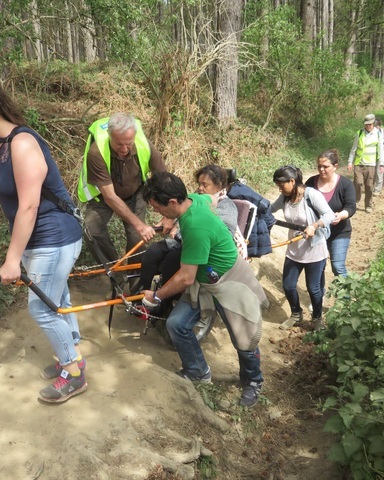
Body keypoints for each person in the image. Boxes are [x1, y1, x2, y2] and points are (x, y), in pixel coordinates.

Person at [0, 74, 86, 404]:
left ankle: (75, 372)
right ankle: (71, 354)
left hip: (55, 236)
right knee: (57, 299)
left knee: (43, 309)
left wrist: (11, 260)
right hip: (35, 241)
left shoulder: (22, 144)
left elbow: (30, 205)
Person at [141, 172, 268, 407]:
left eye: (158, 209)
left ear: (172, 202)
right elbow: (211, 199)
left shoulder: (196, 228)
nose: (158, 214)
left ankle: (253, 381)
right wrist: (169, 220)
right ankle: (198, 371)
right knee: (177, 324)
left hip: (230, 281)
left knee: (244, 337)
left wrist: (156, 296)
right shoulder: (192, 200)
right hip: (205, 280)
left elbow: (185, 278)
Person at [77, 113, 170, 279]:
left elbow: (163, 179)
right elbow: (110, 197)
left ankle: (135, 283)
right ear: (110, 136)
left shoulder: (144, 145)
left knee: (137, 237)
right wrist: (139, 224)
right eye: (119, 144)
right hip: (104, 196)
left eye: (129, 143)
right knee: (92, 229)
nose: (125, 149)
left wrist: (169, 215)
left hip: (135, 193)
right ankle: (116, 276)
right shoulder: (96, 152)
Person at [137, 164, 248, 299]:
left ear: (218, 186)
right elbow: (191, 207)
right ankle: (141, 293)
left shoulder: (226, 206)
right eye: (199, 183)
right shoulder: (195, 198)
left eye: (205, 185)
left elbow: (222, 231)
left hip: (204, 249)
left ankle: (161, 302)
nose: (200, 188)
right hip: (183, 241)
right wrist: (171, 219)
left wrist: (182, 231)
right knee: (153, 251)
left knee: (171, 262)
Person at [271, 165, 335, 331]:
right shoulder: (285, 197)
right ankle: (296, 314)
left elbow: (329, 215)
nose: (279, 188)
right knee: (288, 285)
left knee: (314, 288)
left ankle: (317, 319)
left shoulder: (311, 195)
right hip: (294, 250)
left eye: (281, 185)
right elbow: (270, 210)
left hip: (314, 250)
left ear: (292, 181)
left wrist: (314, 225)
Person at [306, 149, 357, 278]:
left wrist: (340, 215)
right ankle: (319, 296)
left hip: (339, 232)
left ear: (335, 167)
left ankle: (344, 297)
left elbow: (351, 207)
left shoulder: (345, 184)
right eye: (319, 166)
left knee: (338, 267)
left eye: (325, 166)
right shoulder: (310, 183)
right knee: (318, 268)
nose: (321, 169)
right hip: (317, 233)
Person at [347, 113, 384, 213]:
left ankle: (368, 205)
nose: (368, 126)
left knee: (369, 186)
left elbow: (380, 150)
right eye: (366, 124)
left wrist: (381, 164)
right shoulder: (359, 133)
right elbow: (353, 148)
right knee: (358, 183)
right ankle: (355, 200)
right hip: (358, 163)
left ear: (373, 123)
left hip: (371, 165)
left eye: (370, 124)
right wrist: (350, 162)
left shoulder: (378, 134)